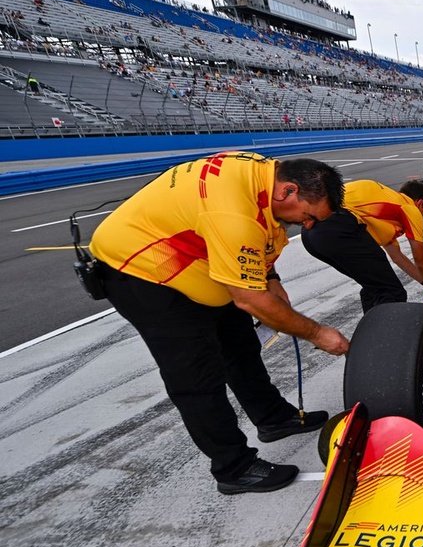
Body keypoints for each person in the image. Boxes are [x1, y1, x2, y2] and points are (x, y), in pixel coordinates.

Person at [91, 153, 350, 495]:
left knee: (239, 342)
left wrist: (270, 278)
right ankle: (233, 467)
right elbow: (249, 298)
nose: (308, 226)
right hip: (143, 270)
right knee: (196, 372)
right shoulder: (233, 212)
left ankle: (273, 418)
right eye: (308, 217)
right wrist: (318, 333)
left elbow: (256, 248)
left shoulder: (260, 177)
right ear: (286, 192)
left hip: (195, 257)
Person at [301, 178, 423, 313]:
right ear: (420, 203)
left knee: (374, 287)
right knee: (391, 292)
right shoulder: (409, 208)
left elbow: (398, 258)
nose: (422, 217)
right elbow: (421, 260)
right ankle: (385, 337)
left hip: (310, 234)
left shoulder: (387, 210)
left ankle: (371, 335)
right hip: (337, 224)